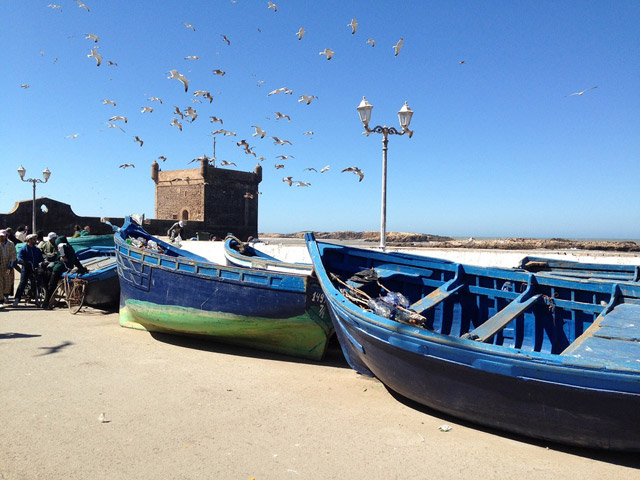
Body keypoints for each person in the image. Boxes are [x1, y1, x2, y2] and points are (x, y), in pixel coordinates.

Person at [42, 235, 88, 309]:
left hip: (58, 269)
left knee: (51, 286)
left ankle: (46, 303)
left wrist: (63, 256)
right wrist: (82, 268)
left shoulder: (62, 246)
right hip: (67, 269)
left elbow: (60, 246)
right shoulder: (71, 248)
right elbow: (76, 260)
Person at [12, 234, 44, 307]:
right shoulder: (23, 249)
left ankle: (37, 298)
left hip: (35, 268)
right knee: (22, 283)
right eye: (33, 239)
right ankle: (17, 299)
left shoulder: (37, 249)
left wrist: (43, 262)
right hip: (26, 267)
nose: (34, 240)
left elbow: (41, 258)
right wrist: (21, 261)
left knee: (37, 283)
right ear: (29, 240)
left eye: (34, 239)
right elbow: (20, 257)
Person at [0, 230, 17, 305]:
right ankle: (1, 299)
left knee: (8, 282)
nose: (1, 238)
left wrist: (10, 266)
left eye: (2, 236)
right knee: (0, 283)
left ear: (6, 236)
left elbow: (13, 255)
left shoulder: (10, 244)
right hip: (0, 265)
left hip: (7, 266)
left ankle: (5, 295)